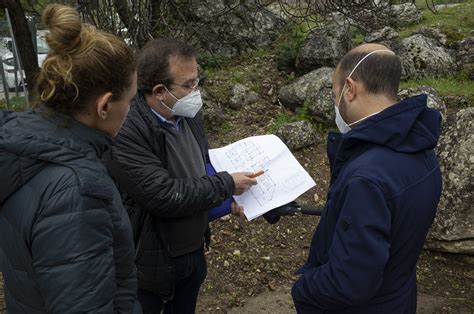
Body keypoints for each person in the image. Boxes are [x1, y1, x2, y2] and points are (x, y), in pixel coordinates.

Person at [0, 4, 140, 313]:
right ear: (104, 106)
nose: (131, 110)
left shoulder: (24, 146)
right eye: (129, 100)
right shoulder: (77, 192)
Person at [104, 38, 257, 313]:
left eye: (197, 81)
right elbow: (163, 195)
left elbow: (200, 169)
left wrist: (227, 200)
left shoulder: (187, 113)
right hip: (149, 264)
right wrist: (226, 184)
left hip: (193, 252)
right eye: (188, 85)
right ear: (160, 91)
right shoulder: (127, 130)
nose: (196, 92)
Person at [291, 43, 442, 313]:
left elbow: (348, 282)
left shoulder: (367, 177)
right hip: (399, 297)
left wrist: (303, 288)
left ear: (350, 89)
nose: (335, 102)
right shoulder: (420, 147)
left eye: (334, 92)